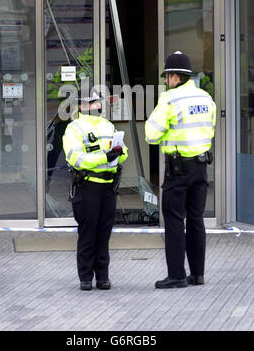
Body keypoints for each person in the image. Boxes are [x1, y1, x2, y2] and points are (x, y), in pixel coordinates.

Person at [145, 51, 216, 289]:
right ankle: (198, 275)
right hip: (201, 167)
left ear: (175, 77)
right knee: (196, 219)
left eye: (167, 77)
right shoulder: (206, 97)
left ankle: (176, 275)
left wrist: (168, 133)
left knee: (175, 220)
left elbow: (151, 135)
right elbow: (210, 127)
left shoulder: (170, 99)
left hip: (177, 169)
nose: (165, 81)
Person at [63, 88, 128, 291]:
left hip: (108, 187)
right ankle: (85, 277)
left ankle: (103, 277)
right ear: (82, 106)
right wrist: (105, 157)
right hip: (88, 186)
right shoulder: (74, 128)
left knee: (104, 234)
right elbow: (77, 159)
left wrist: (119, 152)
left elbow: (123, 152)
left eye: (98, 102)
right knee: (88, 234)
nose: (98, 105)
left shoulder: (107, 125)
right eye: (93, 103)